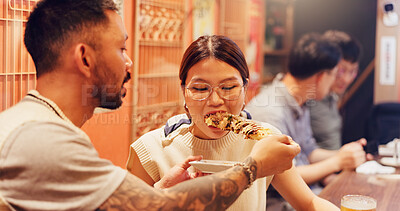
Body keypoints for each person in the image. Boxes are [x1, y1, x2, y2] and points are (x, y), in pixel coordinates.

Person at [0, 1, 301, 210]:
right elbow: (163, 208)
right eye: (121, 48)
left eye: (229, 87)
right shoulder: (43, 141)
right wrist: (254, 168)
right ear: (85, 58)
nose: (129, 63)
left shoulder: (39, 127)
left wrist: (158, 190)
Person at [126, 35, 339, 211]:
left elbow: (309, 203)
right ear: (184, 92)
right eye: (200, 89)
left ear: (245, 90)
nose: (215, 101)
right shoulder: (151, 151)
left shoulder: (265, 141)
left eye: (228, 88)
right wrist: (161, 193)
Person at [246, 33, 368, 210]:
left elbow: (309, 151)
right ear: (320, 77)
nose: (335, 81)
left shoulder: (301, 100)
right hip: (279, 203)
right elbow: (282, 174)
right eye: (334, 75)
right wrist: (338, 162)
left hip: (307, 193)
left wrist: (345, 153)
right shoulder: (270, 111)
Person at [308, 30, 362, 150]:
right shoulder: (307, 99)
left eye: (353, 71)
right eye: (341, 71)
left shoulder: (332, 96)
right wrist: (342, 158)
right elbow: (306, 153)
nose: (346, 79)